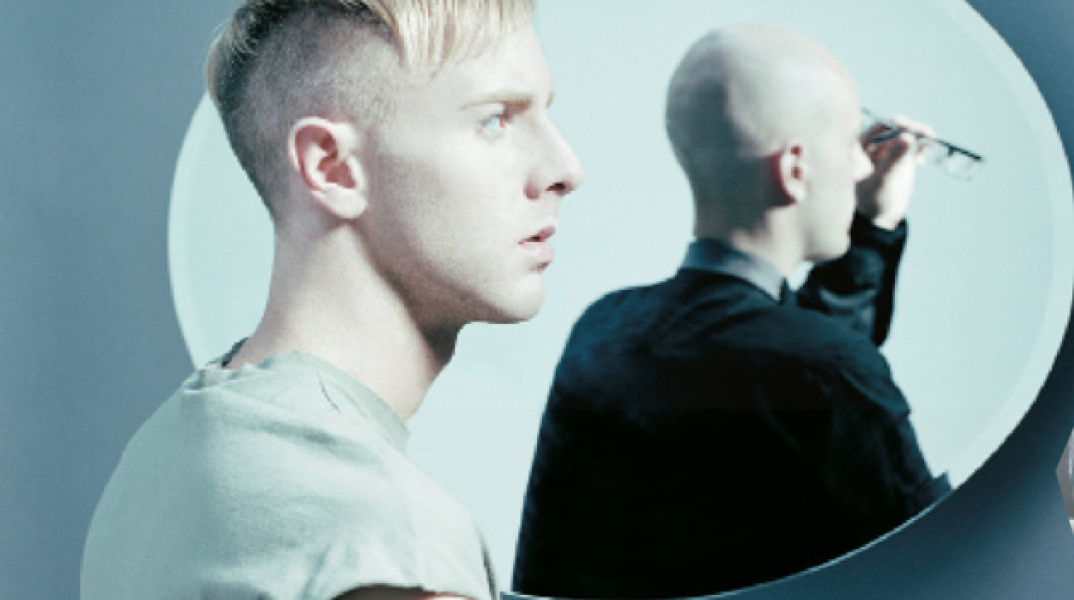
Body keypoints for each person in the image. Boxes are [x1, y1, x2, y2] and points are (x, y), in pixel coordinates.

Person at [81, 1, 583, 599]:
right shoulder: (384, 533)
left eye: (545, 112)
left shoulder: (162, 459)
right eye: (495, 120)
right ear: (332, 168)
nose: (565, 168)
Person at [512, 24, 949, 599]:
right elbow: (953, 565)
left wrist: (870, 227)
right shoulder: (823, 368)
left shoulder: (603, 331)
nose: (863, 169)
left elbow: (779, 360)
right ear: (795, 170)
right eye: (849, 145)